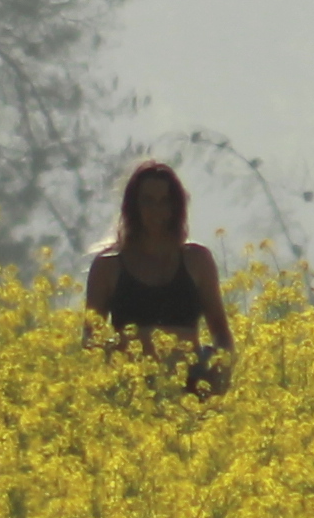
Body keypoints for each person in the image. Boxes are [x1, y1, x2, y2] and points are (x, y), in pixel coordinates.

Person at [84, 159, 234, 391]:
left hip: (192, 387)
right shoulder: (108, 266)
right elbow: (91, 340)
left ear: (177, 207)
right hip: (132, 390)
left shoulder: (197, 260)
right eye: (148, 201)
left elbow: (221, 333)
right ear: (132, 206)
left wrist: (220, 372)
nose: (157, 211)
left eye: (165, 202)